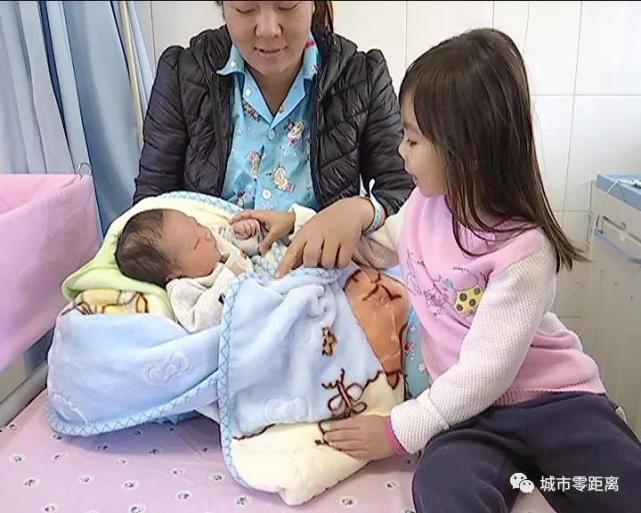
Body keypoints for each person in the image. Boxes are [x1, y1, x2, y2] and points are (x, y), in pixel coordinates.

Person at [269, 29, 641, 512]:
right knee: (443, 488)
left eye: (413, 139)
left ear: (468, 151)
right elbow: (374, 248)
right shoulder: (426, 206)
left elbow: (485, 374)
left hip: (554, 400)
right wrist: (300, 224)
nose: (401, 151)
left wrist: (396, 432)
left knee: (621, 482)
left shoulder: (526, 251)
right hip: (470, 419)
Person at [134, 1, 413, 269]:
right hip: (210, 280)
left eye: (286, 6)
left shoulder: (363, 77)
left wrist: (359, 210)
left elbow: (406, 195)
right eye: (245, 8)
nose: (268, 29)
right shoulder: (183, 74)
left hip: (321, 278)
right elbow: (149, 211)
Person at [115, 208, 292, 332]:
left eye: (197, 224)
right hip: (257, 312)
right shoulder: (183, 289)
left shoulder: (207, 238)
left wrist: (240, 235)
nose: (206, 234)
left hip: (271, 275)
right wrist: (230, 280)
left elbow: (228, 239)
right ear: (176, 273)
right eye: (196, 243)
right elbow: (200, 321)